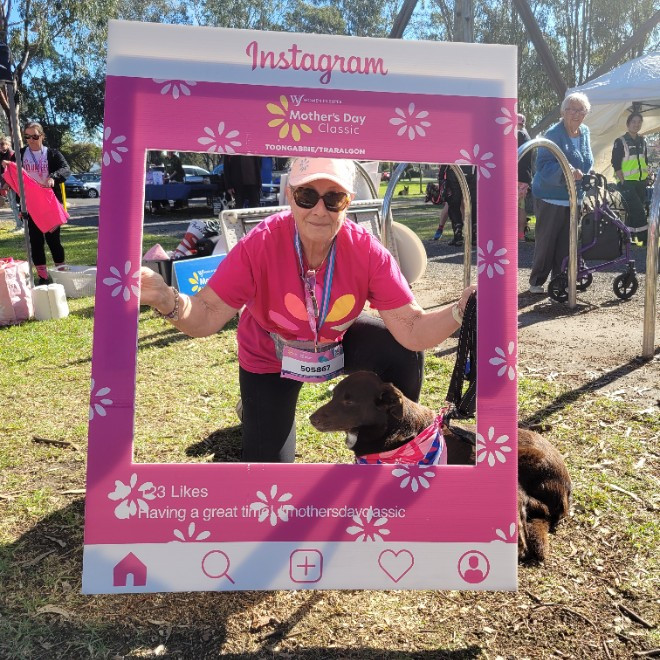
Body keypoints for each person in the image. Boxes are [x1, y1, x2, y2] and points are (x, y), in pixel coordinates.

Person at [139, 157, 475, 463]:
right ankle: (255, 409)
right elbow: (205, 314)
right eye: (306, 196)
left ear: (348, 202)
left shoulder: (367, 251)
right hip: (270, 354)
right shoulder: (260, 244)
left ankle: (388, 443)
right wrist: (166, 298)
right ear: (289, 195)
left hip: (336, 341)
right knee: (268, 469)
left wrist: (461, 309)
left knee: (400, 351)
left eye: (333, 198)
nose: (319, 210)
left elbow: (412, 328)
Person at [528, 93, 593, 294]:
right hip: (550, 197)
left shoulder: (585, 132)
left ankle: (560, 280)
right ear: (563, 112)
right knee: (547, 242)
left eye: (580, 110)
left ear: (585, 113)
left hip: (574, 198)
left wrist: (587, 176)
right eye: (571, 109)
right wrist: (567, 171)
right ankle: (536, 281)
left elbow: (587, 161)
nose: (576, 114)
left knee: (567, 243)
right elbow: (543, 165)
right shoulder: (553, 134)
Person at [13, 122, 71, 284]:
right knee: (36, 241)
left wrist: (53, 177)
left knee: (54, 241)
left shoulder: (52, 153)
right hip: (30, 205)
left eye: (35, 136)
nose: (31, 140)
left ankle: (61, 274)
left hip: (49, 204)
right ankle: (43, 277)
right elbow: (9, 169)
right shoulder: (20, 154)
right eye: (27, 137)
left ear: (42, 136)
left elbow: (66, 169)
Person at [611, 112, 649, 246]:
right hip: (627, 183)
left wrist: (646, 177)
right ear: (628, 124)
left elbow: (645, 160)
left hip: (641, 182)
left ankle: (630, 237)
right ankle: (645, 239)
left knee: (633, 212)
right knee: (639, 211)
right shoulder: (620, 141)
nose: (636, 124)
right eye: (634, 122)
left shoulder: (643, 141)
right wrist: (622, 181)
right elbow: (615, 163)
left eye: (639, 122)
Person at [437, 164, 477, 247]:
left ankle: (458, 235)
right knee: (472, 204)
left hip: (454, 173)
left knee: (454, 205)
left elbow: (443, 161)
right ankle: (474, 235)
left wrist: (441, 180)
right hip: (471, 172)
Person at [517, 113, 533, 241]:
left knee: (512, 206)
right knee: (521, 206)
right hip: (525, 176)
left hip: (515, 175)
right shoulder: (527, 136)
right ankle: (521, 234)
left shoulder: (517, 135)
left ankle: (512, 233)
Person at [0, 135, 20, 230]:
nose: (1, 146)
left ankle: (21, 225)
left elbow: (14, 170)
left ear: (8, 145)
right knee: (12, 205)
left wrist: (7, 183)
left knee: (15, 204)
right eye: (0, 144)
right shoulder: (1, 155)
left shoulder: (12, 155)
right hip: (5, 182)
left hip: (13, 183)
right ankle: (19, 224)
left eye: (3, 144)